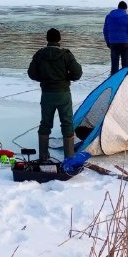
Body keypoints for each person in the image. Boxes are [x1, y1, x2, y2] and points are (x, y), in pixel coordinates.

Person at [28, 28, 83, 161]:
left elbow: (31, 73)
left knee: (45, 124)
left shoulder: (40, 54)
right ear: (59, 39)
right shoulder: (66, 54)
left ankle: (43, 156)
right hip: (63, 94)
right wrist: (66, 78)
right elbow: (77, 73)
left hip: (47, 94)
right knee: (67, 123)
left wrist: (44, 79)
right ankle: (69, 157)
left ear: (47, 39)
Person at [103, 1, 128, 75]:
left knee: (114, 65)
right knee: (125, 65)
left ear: (118, 7)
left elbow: (105, 30)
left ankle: (113, 81)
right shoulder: (127, 17)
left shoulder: (108, 17)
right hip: (125, 44)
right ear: (125, 9)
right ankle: (124, 81)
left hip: (113, 43)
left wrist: (108, 42)